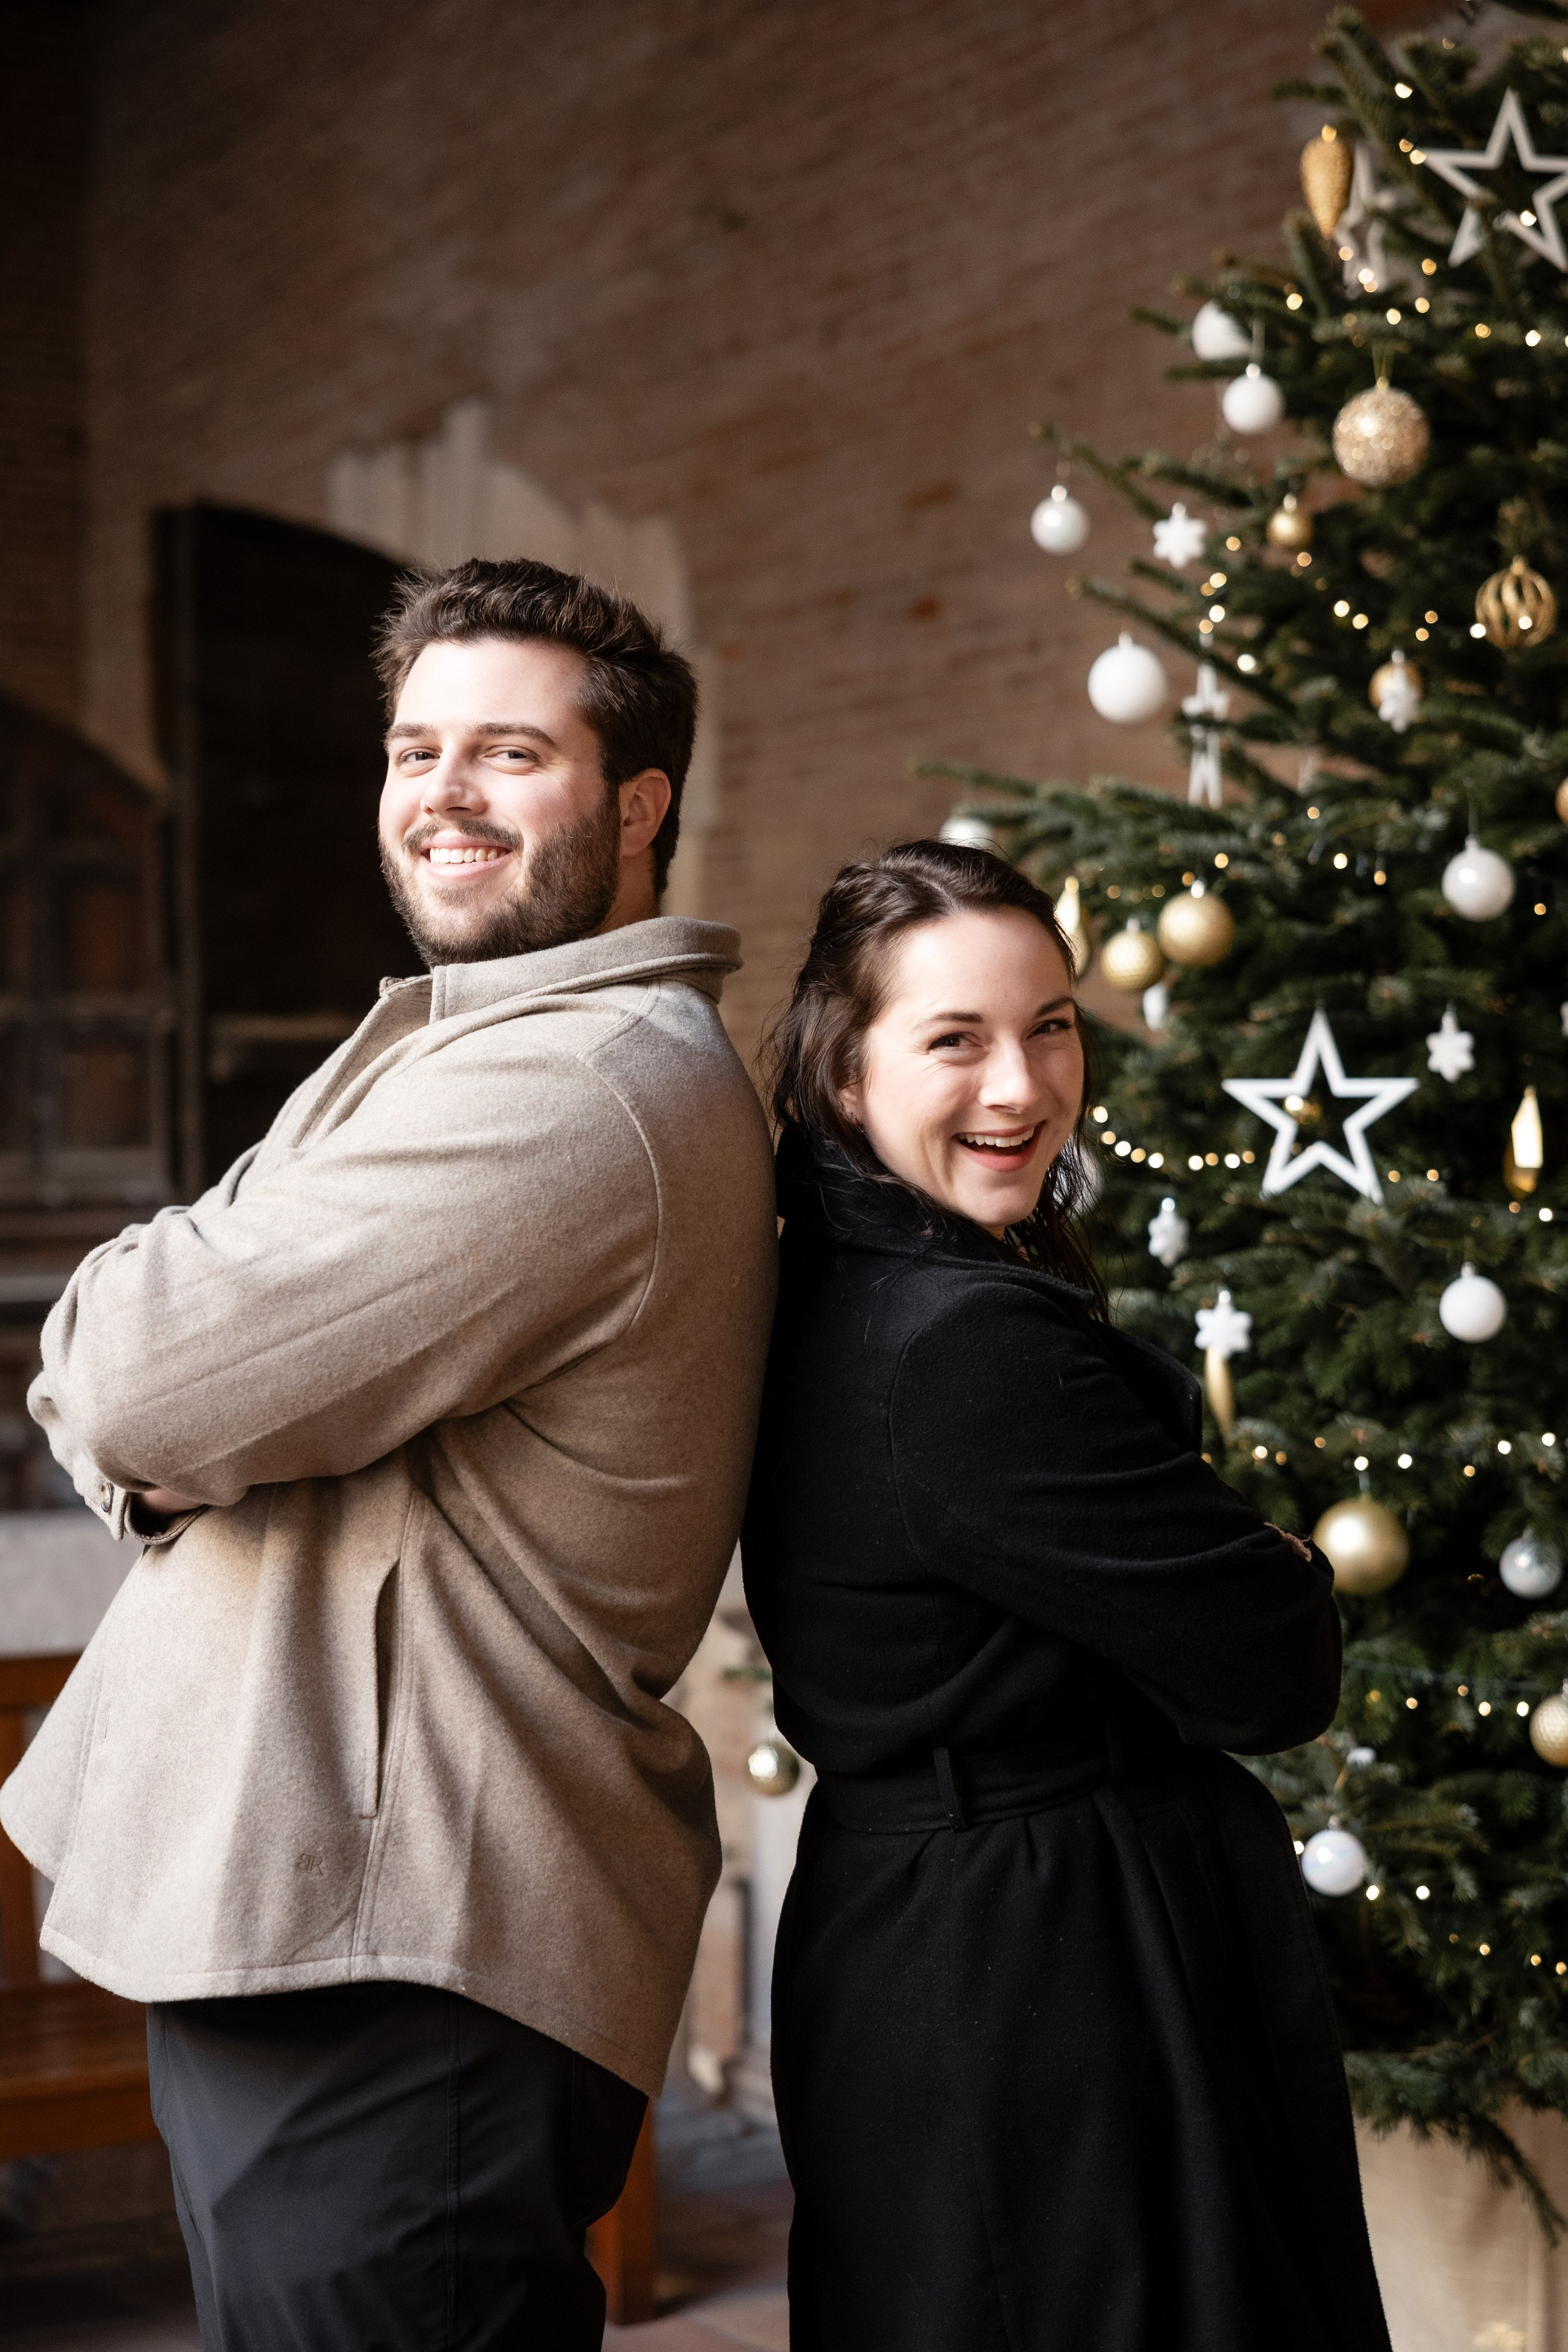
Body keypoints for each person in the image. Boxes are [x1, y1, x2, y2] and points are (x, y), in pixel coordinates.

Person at [0, 558, 778, 2350]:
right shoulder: (475, 1050)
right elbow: (172, 1370)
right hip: (326, 1921)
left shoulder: (572, 1088)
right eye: (418, 747)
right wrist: (185, 1373)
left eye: (511, 753)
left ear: (638, 802)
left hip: (399, 1944)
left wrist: (171, 1372)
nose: (443, 793)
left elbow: (133, 1376)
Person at [742, 839, 1390, 2352]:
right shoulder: (960, 1346)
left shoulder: (850, 1280)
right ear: (844, 1076)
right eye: (952, 1040)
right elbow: (1274, 1671)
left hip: (950, 1924)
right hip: (1036, 1968)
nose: (1021, 1088)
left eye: (1048, 1025)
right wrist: (1278, 1561)